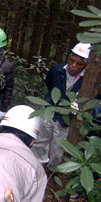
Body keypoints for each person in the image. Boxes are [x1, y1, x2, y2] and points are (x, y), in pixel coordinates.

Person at [32, 42, 91, 171]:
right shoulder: (57, 70)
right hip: (48, 111)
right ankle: (37, 165)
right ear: (69, 57)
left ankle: (53, 171)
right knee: (40, 141)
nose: (73, 66)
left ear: (85, 65)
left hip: (65, 119)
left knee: (58, 148)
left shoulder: (87, 80)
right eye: (72, 60)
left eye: (79, 63)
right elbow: (49, 84)